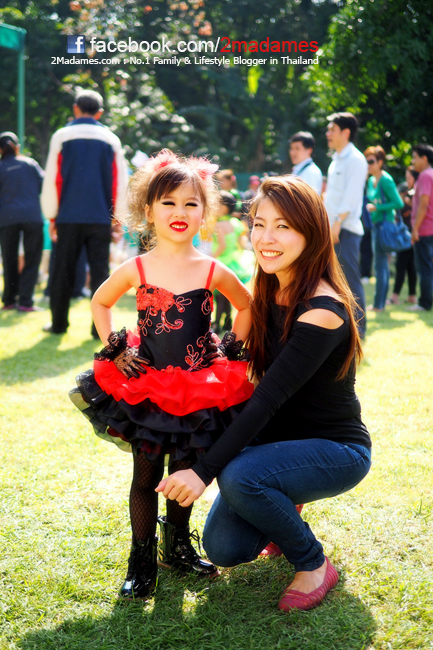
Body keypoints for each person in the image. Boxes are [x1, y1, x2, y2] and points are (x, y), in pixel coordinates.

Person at [156, 176, 372, 613]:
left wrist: (202, 473)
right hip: (274, 443)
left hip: (335, 449)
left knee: (240, 477)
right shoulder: (268, 289)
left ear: (311, 233)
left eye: (283, 227)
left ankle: (313, 563)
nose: (265, 238)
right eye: (259, 224)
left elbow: (267, 399)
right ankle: (282, 498)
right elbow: (232, 364)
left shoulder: (324, 310)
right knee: (225, 549)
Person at [69, 149, 253, 601]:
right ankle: (141, 562)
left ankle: (178, 549)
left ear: (205, 212)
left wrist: (231, 345)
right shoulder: (137, 267)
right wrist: (116, 348)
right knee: (145, 477)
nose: (179, 212)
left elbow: (247, 306)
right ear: (149, 210)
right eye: (168, 202)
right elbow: (100, 301)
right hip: (148, 389)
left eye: (191, 203)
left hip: (198, 390)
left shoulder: (212, 269)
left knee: (184, 474)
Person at [41, 89, 128, 336]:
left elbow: (53, 179)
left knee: (62, 271)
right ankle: (98, 330)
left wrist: (51, 215)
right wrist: (117, 218)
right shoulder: (111, 139)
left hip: (68, 217)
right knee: (101, 274)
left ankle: (58, 324)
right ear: (100, 112)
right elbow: (119, 182)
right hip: (100, 218)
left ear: (75, 108)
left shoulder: (61, 136)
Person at [324, 112, 368, 336]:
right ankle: (342, 328)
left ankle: (359, 331)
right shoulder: (336, 159)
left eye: (332, 129)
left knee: (350, 280)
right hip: (332, 228)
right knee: (333, 280)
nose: (328, 133)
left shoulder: (356, 159)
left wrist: (337, 223)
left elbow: (351, 196)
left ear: (346, 132)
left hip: (345, 229)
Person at [0, 131, 44, 311]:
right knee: (32, 259)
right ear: (17, 147)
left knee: (9, 259)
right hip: (32, 216)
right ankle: (25, 301)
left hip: (7, 218)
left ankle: (9, 300)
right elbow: (43, 185)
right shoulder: (30, 163)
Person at [364, 146, 404, 311]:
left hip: (385, 226)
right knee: (381, 264)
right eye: (366, 161)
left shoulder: (386, 180)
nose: (368, 164)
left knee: (380, 265)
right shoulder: (370, 180)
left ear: (380, 162)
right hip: (376, 225)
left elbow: (399, 203)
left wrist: (377, 208)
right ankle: (380, 303)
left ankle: (378, 305)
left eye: (371, 161)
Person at [212, 190, 255, 332]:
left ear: (224, 207)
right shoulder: (236, 223)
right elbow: (240, 243)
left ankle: (217, 323)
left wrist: (212, 257)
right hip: (235, 260)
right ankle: (228, 322)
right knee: (228, 296)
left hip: (223, 260)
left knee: (220, 297)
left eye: (216, 205)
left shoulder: (219, 225)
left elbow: (222, 245)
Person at [408, 144, 433, 312]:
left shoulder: (424, 176)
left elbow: (424, 204)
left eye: (415, 157)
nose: (412, 161)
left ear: (424, 158)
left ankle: (424, 303)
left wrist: (415, 229)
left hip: (424, 230)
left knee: (424, 268)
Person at [388, 172, 418, 305]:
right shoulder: (411, 198)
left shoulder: (407, 203)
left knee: (402, 266)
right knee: (410, 267)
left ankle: (395, 296)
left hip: (407, 238)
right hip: (411, 237)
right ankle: (412, 295)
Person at [288, 131, 323, 195]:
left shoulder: (311, 172)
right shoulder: (298, 169)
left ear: (309, 150)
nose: (293, 152)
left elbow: (310, 199)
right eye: (291, 149)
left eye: (297, 149)